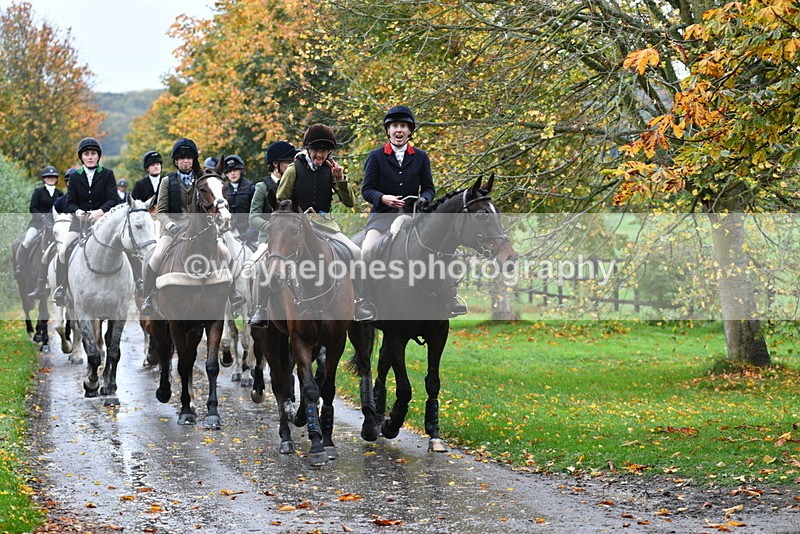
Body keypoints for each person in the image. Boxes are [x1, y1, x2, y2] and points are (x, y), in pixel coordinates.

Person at [250, 124, 373, 325]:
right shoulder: (293, 168)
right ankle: (261, 308)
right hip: (296, 226)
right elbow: (281, 199)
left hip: (325, 226)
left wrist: (340, 179)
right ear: (308, 149)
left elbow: (349, 202)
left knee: (355, 252)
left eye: (324, 151)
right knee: (266, 260)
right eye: (316, 150)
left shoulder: (331, 170)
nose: (320, 154)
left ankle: (359, 301)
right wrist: (299, 212)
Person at [361, 105, 465, 316]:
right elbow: (367, 190)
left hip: (414, 217)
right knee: (367, 251)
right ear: (388, 130)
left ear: (409, 131)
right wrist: (383, 198)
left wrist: (424, 199)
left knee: (446, 250)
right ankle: (364, 300)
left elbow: (429, 188)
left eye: (403, 126)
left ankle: (450, 298)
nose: (399, 130)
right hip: (382, 218)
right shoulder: (376, 156)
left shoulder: (420, 156)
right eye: (394, 126)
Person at [140, 138, 242, 315]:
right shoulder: (167, 181)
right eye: (181, 158)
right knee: (156, 256)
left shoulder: (202, 180)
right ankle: (148, 296)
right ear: (176, 161)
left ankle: (232, 292)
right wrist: (170, 226)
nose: (185, 161)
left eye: (189, 158)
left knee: (225, 253)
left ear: (193, 160)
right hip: (173, 230)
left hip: (200, 230)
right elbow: (161, 211)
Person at [53, 137, 120, 306]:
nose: (90, 157)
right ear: (81, 157)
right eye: (86, 154)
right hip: (79, 224)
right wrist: (77, 211)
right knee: (63, 251)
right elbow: (70, 202)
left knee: (125, 248)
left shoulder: (107, 174)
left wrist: (100, 211)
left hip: (104, 224)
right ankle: (61, 288)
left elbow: (113, 199)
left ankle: (138, 283)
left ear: (98, 156)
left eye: (93, 154)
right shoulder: (75, 177)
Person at [247, 141, 298, 323]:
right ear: (276, 164)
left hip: (291, 239)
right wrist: (273, 228)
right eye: (288, 161)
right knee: (255, 266)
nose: (292, 165)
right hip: (269, 239)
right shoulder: (262, 187)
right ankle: (258, 308)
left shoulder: (294, 183)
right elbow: (252, 217)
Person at [16, 165, 63, 280]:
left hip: (54, 225)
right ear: (44, 179)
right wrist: (42, 218)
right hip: (37, 224)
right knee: (27, 241)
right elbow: (33, 208)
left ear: (56, 179)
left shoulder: (60, 193)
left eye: (53, 177)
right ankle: (20, 266)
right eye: (48, 177)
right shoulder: (38, 192)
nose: (51, 179)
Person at [222, 154, 257, 242]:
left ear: (240, 171)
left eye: (235, 170)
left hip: (249, 235)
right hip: (228, 233)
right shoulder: (222, 190)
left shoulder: (251, 189)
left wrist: (249, 234)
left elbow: (257, 214)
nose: (232, 173)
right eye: (229, 171)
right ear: (226, 174)